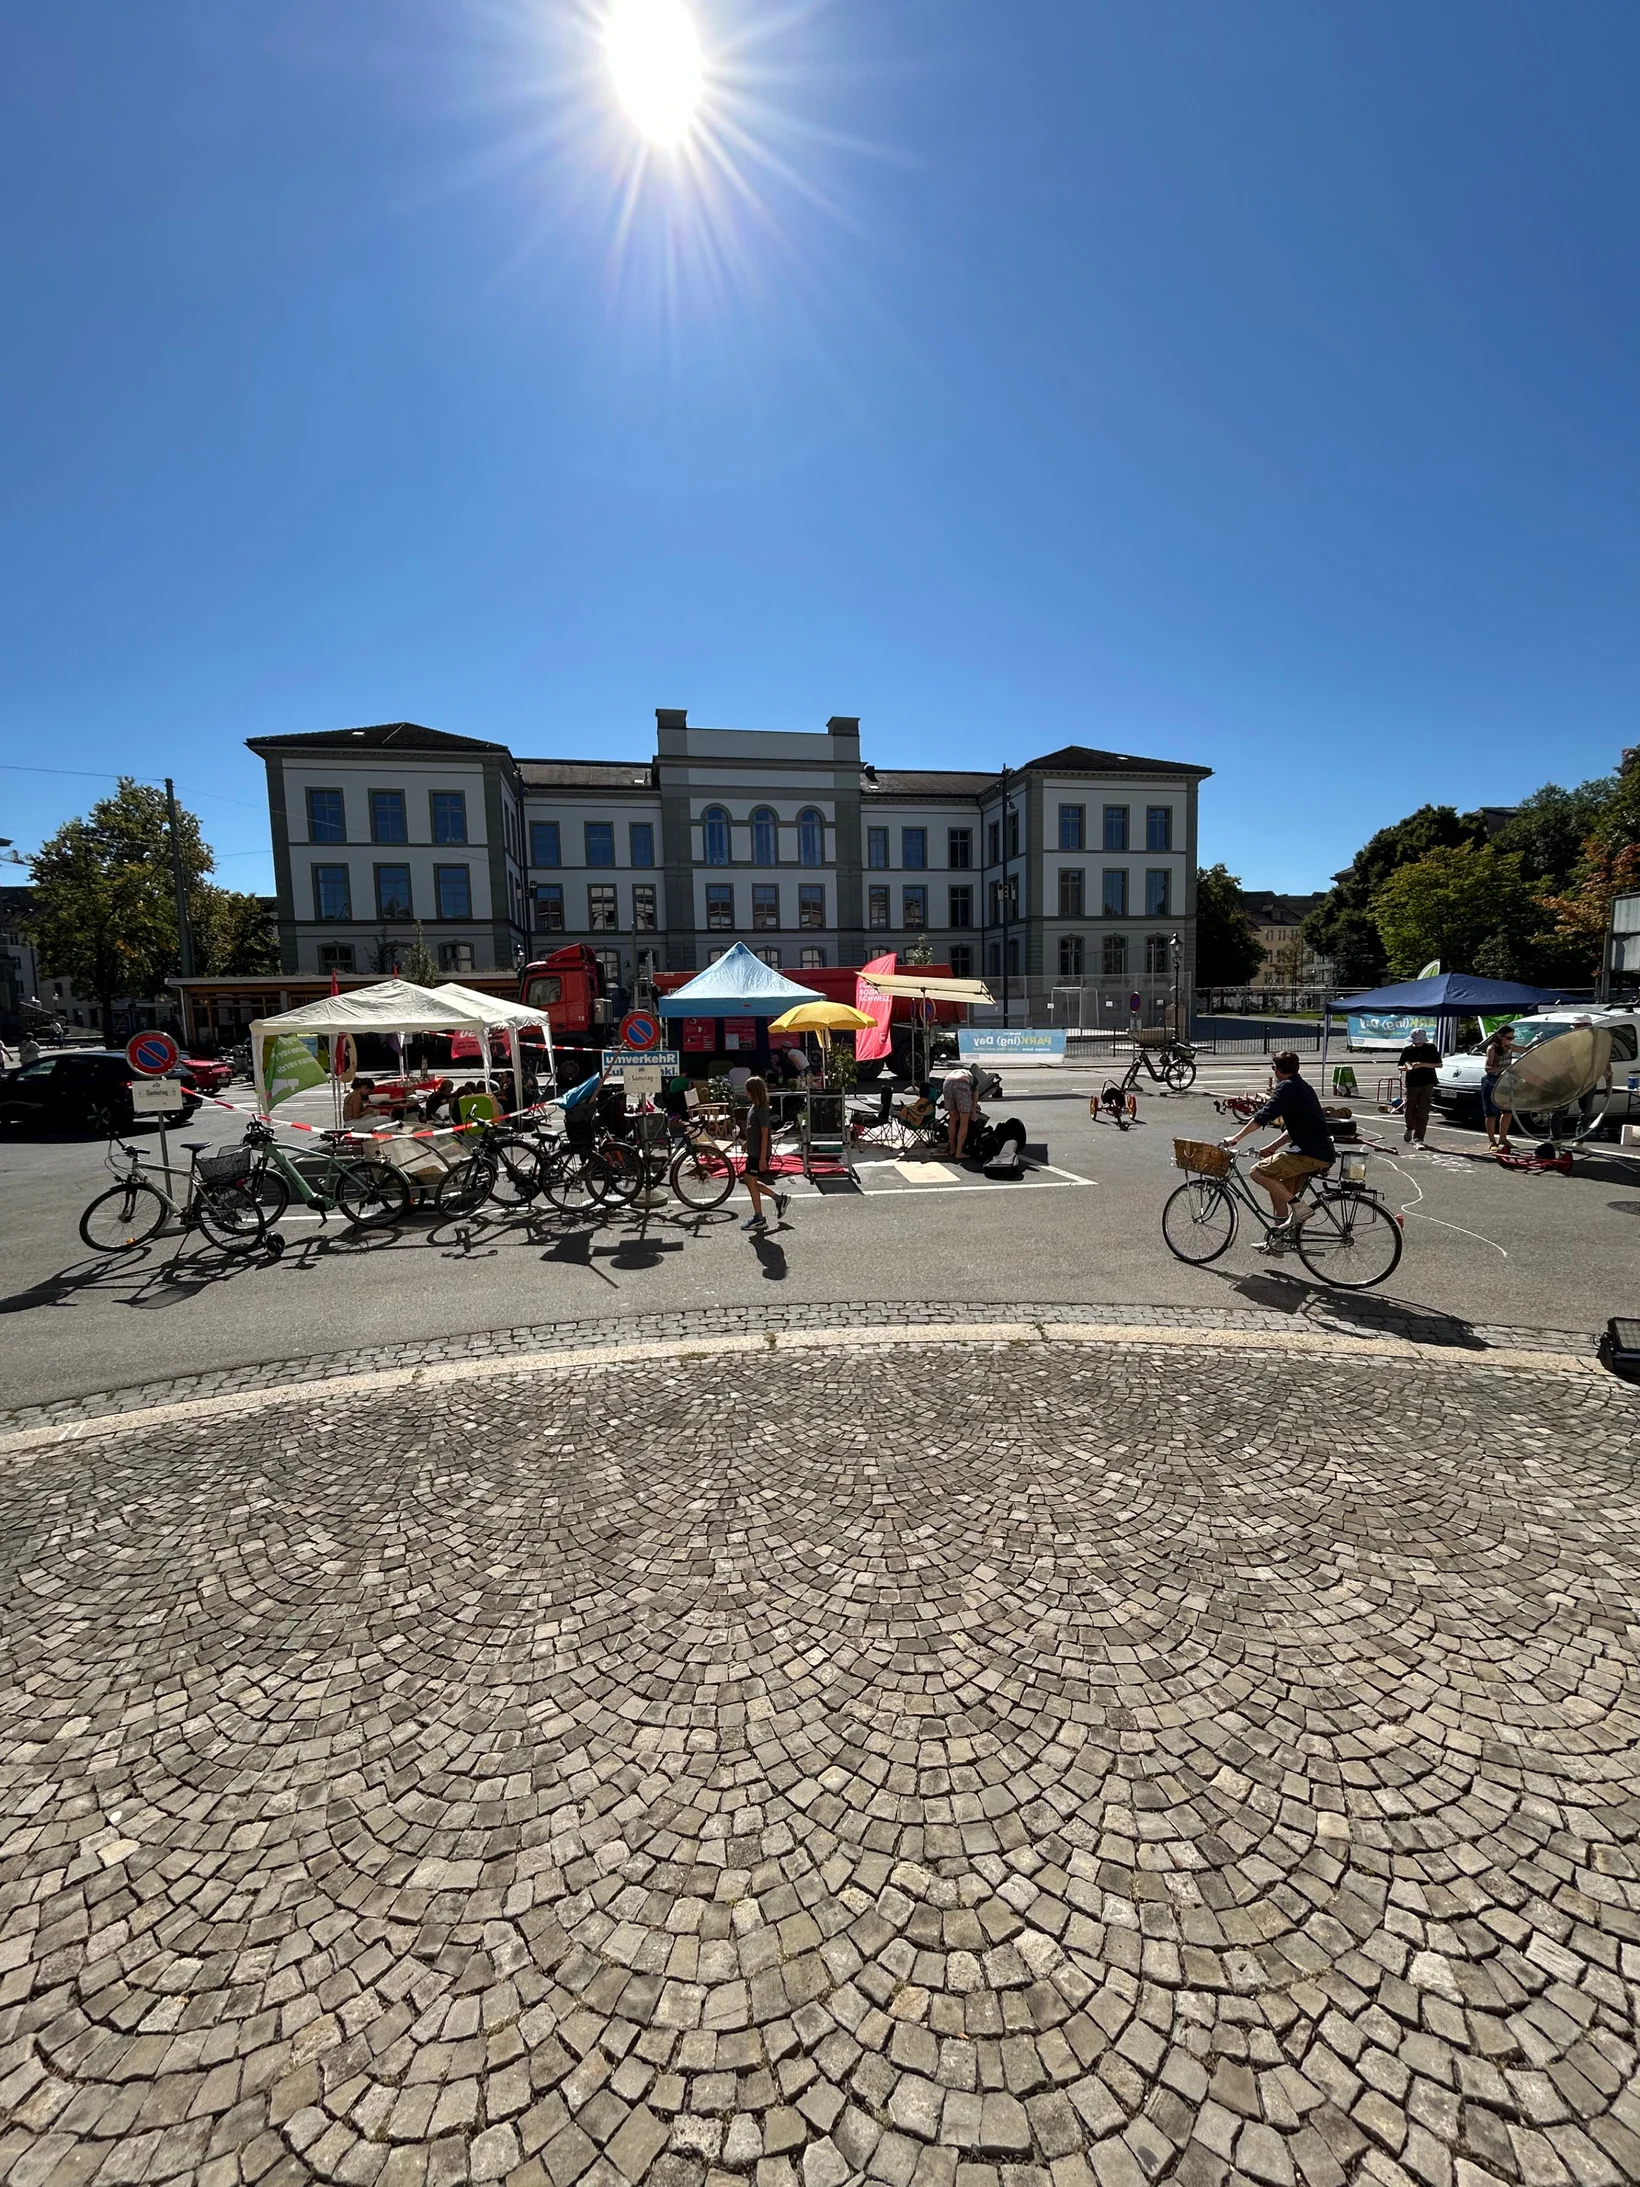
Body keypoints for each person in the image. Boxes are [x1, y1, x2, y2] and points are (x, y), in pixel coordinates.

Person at [1222, 1050, 1336, 1253]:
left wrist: (1236, 1138)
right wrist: (1272, 1147)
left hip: (1310, 1153)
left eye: (1273, 1067)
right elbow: (1297, 1128)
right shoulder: (1303, 1087)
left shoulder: (1286, 1088)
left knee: (1256, 1172)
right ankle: (1278, 1241)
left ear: (1277, 1070)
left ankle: (1299, 1209)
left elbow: (1262, 1116)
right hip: (1319, 1151)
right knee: (1278, 1188)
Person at [740, 1074, 790, 1231]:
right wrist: (748, 1141)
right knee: (750, 1181)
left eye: (747, 1090)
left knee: (750, 1181)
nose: (745, 1093)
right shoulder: (754, 1107)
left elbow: (765, 1134)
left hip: (759, 1153)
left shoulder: (762, 1110)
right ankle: (778, 1199)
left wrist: (763, 1158)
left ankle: (759, 1217)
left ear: (753, 1091)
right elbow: (753, 1130)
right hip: (754, 1150)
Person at [1397, 1029, 1442, 1149]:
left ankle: (1419, 1138)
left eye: (1419, 1042)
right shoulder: (1408, 1050)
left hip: (1427, 1081)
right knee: (1409, 1107)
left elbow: (1438, 1064)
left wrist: (1421, 1065)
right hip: (1412, 1082)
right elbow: (1400, 1065)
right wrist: (1406, 1067)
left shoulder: (1430, 1048)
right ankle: (1409, 1126)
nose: (1417, 1044)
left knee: (1423, 1110)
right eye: (1415, 1042)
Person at [1482, 1024, 1516, 1156]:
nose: (1511, 1040)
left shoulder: (1509, 1047)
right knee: (1491, 1113)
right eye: (1508, 1037)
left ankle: (1503, 1138)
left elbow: (1524, 1049)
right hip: (1492, 1081)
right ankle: (1492, 1141)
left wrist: (1536, 1043)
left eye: (1513, 1037)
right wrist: (1503, 1069)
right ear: (1500, 1036)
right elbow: (1488, 1068)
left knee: (1507, 1111)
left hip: (1506, 1081)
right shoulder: (1492, 1048)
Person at [942, 1060, 980, 1158]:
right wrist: (973, 1111)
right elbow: (975, 1098)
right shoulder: (975, 1081)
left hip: (947, 1082)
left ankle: (952, 1149)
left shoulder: (963, 1072)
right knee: (964, 1122)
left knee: (952, 1118)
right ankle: (959, 1152)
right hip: (962, 1084)